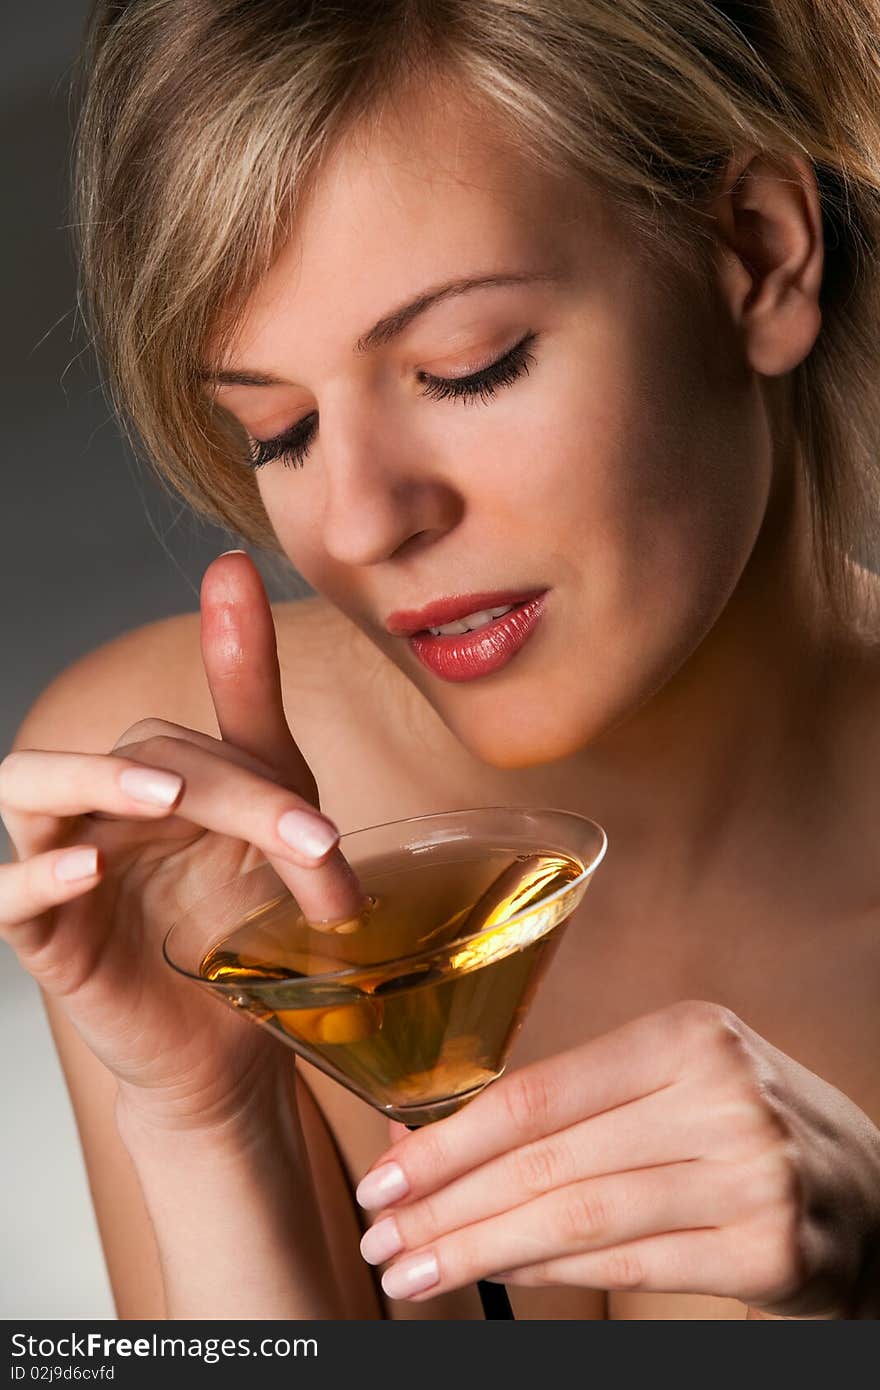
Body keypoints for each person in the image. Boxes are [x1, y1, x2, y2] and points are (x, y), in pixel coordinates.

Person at [2, 0, 880, 1321]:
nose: (356, 523)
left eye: (468, 365)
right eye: (276, 431)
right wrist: (205, 1127)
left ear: (758, 258)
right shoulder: (177, 843)